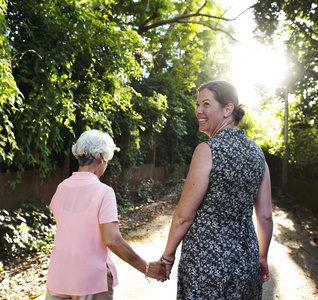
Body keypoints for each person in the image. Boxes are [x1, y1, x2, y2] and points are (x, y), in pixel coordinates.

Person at [159, 81, 273, 299]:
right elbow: (266, 217)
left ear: (228, 110)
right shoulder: (258, 154)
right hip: (246, 259)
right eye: (197, 104)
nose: (198, 111)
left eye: (206, 104)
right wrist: (261, 257)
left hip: (206, 260)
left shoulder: (206, 150)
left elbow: (183, 216)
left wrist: (167, 256)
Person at [45, 129, 166, 300]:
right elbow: (112, 239)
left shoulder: (62, 188)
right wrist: (146, 267)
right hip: (90, 282)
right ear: (101, 158)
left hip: (58, 279)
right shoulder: (103, 192)